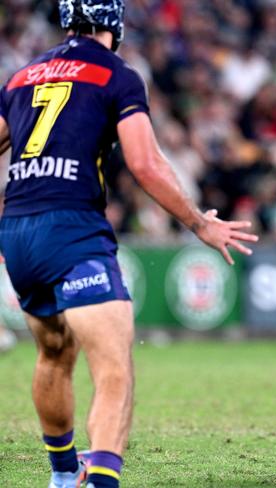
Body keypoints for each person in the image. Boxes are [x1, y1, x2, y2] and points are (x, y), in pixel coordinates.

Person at [0, 1, 258, 487]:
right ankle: (99, 482)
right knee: (114, 367)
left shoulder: (21, 76)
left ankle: (61, 476)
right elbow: (145, 164)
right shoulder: (115, 74)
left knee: (52, 354)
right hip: (72, 227)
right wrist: (198, 223)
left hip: (18, 228)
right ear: (114, 25)